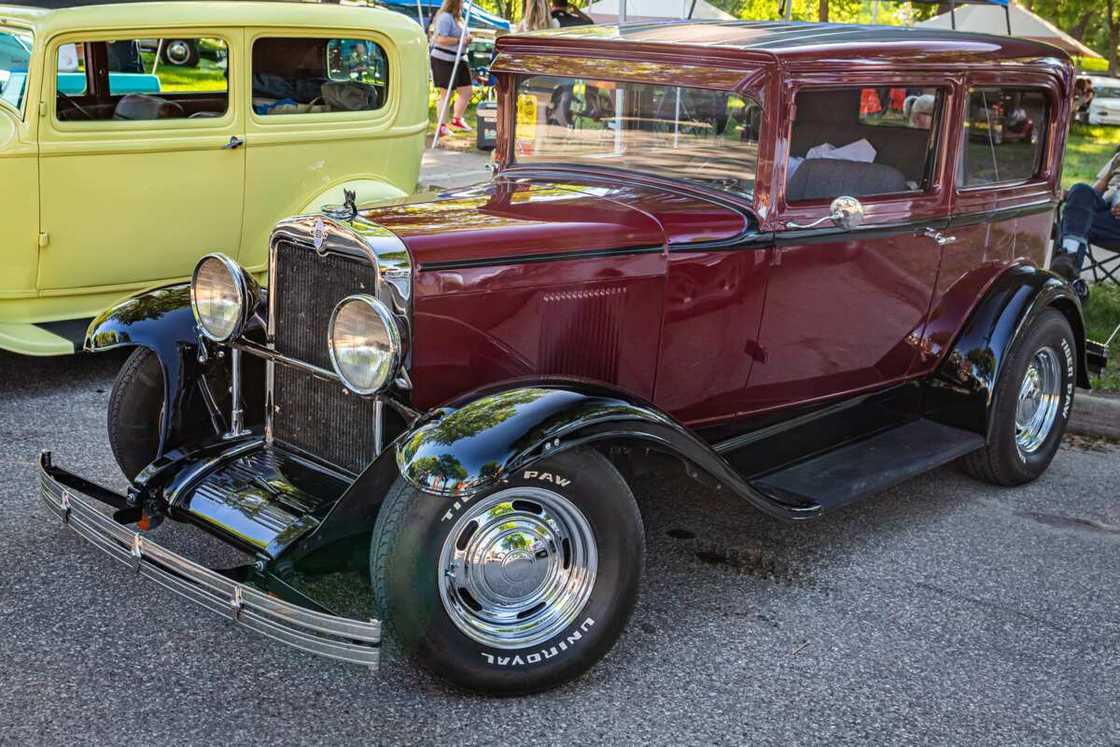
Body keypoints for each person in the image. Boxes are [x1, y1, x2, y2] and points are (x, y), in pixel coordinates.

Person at [1057, 149, 1120, 278]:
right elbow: (1094, 194)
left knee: (1073, 222)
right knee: (1081, 190)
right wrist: (1109, 173)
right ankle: (1068, 259)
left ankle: (1065, 278)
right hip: (1105, 213)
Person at [429, 0, 474, 136]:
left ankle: (457, 119)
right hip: (444, 59)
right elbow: (440, 39)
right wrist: (460, 41)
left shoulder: (459, 19)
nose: (463, 5)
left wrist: (469, 38)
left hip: (460, 59)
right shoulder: (445, 18)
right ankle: (441, 126)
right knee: (446, 93)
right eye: (461, 2)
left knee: (466, 91)